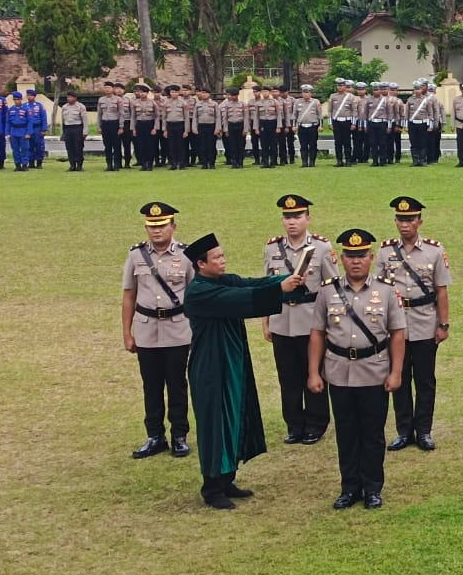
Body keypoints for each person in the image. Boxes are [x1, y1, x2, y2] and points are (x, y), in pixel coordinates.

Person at [182, 233, 304, 508]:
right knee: (215, 424)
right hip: (211, 367)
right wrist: (279, 289)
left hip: (231, 363)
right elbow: (241, 298)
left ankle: (227, 479)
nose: (223, 261)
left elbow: (252, 284)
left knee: (234, 416)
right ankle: (211, 487)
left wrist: (286, 280)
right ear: (201, 264)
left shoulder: (220, 281)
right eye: (217, 258)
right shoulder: (199, 292)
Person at [307, 228, 407, 510]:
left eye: (361, 256)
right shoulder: (328, 291)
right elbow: (317, 333)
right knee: (346, 433)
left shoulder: (386, 291)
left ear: (371, 257)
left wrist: (396, 371)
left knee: (373, 434)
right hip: (338, 371)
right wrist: (314, 372)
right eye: (350, 256)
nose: (356, 261)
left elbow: (398, 333)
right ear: (341, 258)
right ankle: (349, 487)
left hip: (374, 370)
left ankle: (373, 488)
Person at [262, 194, 338, 445]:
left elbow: (332, 288)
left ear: (308, 218)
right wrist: (266, 320)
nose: (291, 222)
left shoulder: (322, 248)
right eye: (287, 217)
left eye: (297, 216)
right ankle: (294, 424)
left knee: (313, 372)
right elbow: (267, 286)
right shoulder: (272, 248)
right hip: (282, 318)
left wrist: (331, 323)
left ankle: (316, 422)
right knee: (288, 376)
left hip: (312, 321)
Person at [378, 197, 453, 451]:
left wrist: (443, 325)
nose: (405, 224)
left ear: (419, 221)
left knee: (424, 380)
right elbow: (377, 292)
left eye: (410, 219)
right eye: (401, 219)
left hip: (424, 321)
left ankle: (423, 430)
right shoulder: (385, 251)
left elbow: (441, 291)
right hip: (395, 325)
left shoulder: (434, 250)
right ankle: (403, 430)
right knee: (398, 379)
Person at [123, 202, 193, 460]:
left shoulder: (186, 255)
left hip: (177, 329)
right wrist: (127, 332)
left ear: (173, 226)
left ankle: (179, 435)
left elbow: (195, 296)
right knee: (151, 385)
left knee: (177, 384)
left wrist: (195, 331)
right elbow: (129, 295)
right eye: (151, 226)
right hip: (146, 329)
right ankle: (154, 436)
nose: (156, 231)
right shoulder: (135, 255)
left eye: (162, 225)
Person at [56, 92, 87, 171]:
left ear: (75, 98)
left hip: (77, 128)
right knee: (69, 148)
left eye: (70, 97)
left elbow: (85, 120)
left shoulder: (80, 106)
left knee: (78, 147)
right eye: (68, 97)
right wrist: (62, 132)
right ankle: (72, 165)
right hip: (67, 128)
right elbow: (63, 120)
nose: (68, 99)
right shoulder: (64, 107)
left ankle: (79, 165)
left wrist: (85, 131)